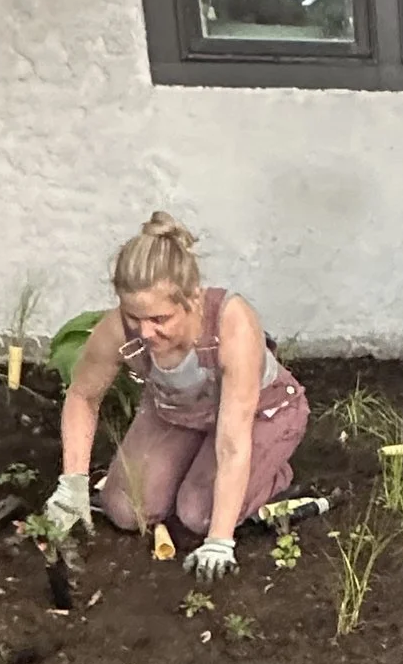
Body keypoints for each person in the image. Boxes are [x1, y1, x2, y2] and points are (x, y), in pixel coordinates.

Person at [43, 216, 307, 579]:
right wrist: (72, 481)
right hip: (180, 412)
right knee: (124, 508)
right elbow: (83, 396)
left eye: (159, 318)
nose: (145, 332)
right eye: (135, 317)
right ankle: (194, 460)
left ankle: (272, 475)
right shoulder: (118, 329)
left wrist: (219, 541)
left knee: (199, 513)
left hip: (263, 413)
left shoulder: (232, 324)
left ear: (192, 298)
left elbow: (232, 442)